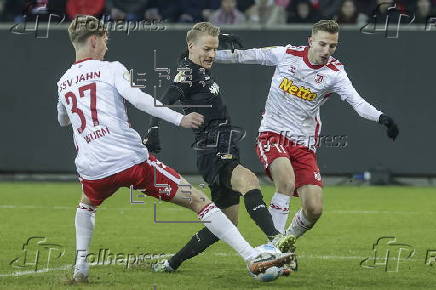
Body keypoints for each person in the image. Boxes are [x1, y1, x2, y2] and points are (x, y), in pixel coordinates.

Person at [57, 15, 293, 283]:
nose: (107, 47)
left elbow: (63, 119)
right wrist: (178, 119)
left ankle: (80, 270)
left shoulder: (64, 81)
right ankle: (253, 257)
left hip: (93, 167)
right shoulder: (110, 69)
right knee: (199, 201)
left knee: (86, 206)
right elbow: (142, 100)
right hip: (131, 161)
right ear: (94, 40)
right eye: (106, 41)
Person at [214, 19, 399, 254]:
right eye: (322, 44)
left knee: (314, 208)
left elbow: (358, 103)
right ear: (310, 41)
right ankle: (273, 246)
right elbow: (243, 56)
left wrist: (382, 118)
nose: (326, 51)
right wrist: (208, 56)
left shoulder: (335, 73)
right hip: (272, 134)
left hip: (304, 144)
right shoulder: (286, 54)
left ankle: (286, 239)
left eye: (332, 46)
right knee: (286, 181)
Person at [144, 22, 296, 273]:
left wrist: (220, 38)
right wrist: (153, 129)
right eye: (207, 49)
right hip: (212, 147)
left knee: (226, 222)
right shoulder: (187, 75)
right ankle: (276, 239)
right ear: (191, 47)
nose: (212, 54)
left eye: (215, 49)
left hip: (224, 144)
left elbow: (193, 48)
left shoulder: (195, 62)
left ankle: (171, 263)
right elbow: (160, 101)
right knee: (249, 181)